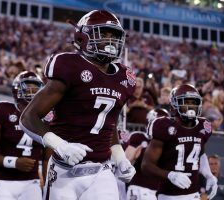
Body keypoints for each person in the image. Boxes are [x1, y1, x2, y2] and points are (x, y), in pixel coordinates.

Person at [19, 9, 136, 200]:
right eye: (103, 33)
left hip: (102, 170)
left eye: (114, 35)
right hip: (65, 171)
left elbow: (109, 123)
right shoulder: (69, 65)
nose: (110, 40)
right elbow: (28, 117)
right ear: (83, 37)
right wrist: (60, 146)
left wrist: (120, 157)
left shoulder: (124, 77)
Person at [141, 84, 218, 200]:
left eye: (193, 102)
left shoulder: (203, 126)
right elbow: (146, 166)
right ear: (173, 106)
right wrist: (170, 175)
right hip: (168, 196)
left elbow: (200, 154)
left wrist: (209, 175)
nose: (191, 106)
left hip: (194, 195)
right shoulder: (164, 127)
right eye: (186, 102)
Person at [0, 71, 45, 200]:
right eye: (28, 87)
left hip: (31, 182)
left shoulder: (46, 115)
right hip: (3, 181)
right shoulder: (3, 110)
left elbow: (46, 157)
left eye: (36, 87)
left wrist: (47, 180)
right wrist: (14, 162)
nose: (33, 91)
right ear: (17, 89)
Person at [125, 108, 169, 200]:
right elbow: (125, 164)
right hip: (140, 188)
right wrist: (133, 159)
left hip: (159, 192)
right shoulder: (138, 137)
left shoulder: (167, 144)